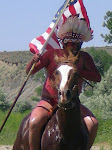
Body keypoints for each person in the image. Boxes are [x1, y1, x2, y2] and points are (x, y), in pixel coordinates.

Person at [26, 16, 101, 150]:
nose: (74, 46)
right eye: (71, 43)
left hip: (73, 102)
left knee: (93, 123)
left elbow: (97, 77)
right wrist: (33, 61)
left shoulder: (84, 57)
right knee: (34, 122)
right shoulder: (51, 54)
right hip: (49, 101)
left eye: (77, 44)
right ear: (64, 42)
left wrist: (78, 72)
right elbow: (30, 72)